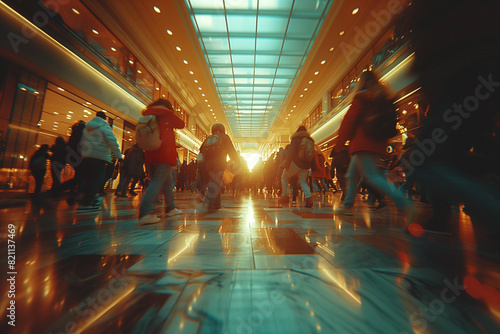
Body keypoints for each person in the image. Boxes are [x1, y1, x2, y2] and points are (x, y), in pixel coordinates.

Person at [408, 0, 500, 234]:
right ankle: (443, 217)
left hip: (456, 73)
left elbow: (427, 39)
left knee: (425, 160)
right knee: (460, 151)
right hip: (481, 70)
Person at [332, 71, 416, 226]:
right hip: (378, 143)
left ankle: (406, 205)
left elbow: (348, 121)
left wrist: (339, 143)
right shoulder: (382, 97)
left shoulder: (361, 98)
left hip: (363, 143)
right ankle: (347, 206)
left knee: (373, 176)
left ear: (362, 83)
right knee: (352, 174)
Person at [138, 99, 185, 224]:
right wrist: (174, 113)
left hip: (150, 153)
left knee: (167, 179)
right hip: (163, 153)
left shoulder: (148, 114)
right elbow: (181, 124)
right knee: (158, 180)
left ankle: (171, 207)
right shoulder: (166, 114)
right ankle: (145, 212)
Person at [78, 111, 123, 212]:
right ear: (105, 118)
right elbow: (112, 142)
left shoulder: (88, 127)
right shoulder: (104, 126)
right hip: (100, 158)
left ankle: (84, 202)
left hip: (87, 157)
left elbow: (82, 141)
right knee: (97, 179)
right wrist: (119, 156)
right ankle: (87, 203)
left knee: (88, 179)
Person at [199, 123, 239, 213]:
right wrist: (236, 160)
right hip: (220, 162)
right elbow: (231, 150)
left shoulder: (209, 137)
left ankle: (217, 204)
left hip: (208, 163)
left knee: (214, 181)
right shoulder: (224, 136)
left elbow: (201, 150)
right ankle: (207, 203)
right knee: (216, 182)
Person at [279, 125, 314, 208]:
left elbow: (291, 152)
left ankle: (285, 196)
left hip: (296, 163)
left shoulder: (296, 139)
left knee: (284, 176)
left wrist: (287, 165)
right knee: (303, 182)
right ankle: (309, 199)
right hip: (306, 165)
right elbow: (312, 154)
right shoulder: (310, 140)